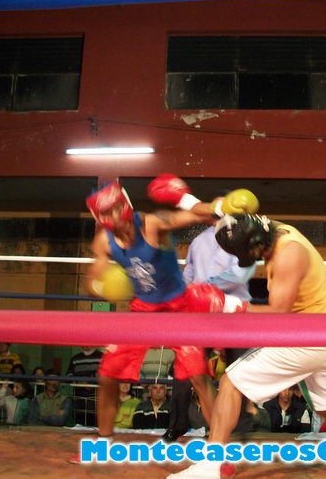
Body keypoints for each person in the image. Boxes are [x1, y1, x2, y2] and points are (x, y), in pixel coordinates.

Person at [168, 214, 326, 479]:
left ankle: (211, 466)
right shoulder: (276, 233)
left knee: (231, 383)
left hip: (305, 339)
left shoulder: (288, 253)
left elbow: (279, 313)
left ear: (256, 243)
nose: (254, 259)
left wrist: (227, 305)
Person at [81, 176, 258, 451]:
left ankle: (218, 448)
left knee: (198, 376)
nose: (114, 215)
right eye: (107, 212)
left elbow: (191, 215)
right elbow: (92, 280)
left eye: (116, 207)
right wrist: (102, 286)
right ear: (99, 217)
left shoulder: (151, 224)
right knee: (107, 373)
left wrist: (218, 207)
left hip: (181, 306)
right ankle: (103, 442)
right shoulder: (104, 241)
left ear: (125, 204)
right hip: (143, 310)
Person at [166, 223, 256, 442]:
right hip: (211, 311)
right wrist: (193, 296)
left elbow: (238, 275)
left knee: (237, 370)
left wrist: (204, 288)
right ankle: (180, 424)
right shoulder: (205, 241)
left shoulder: (210, 240)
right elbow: (189, 276)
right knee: (189, 367)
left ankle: (238, 427)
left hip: (227, 310)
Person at [66, 346, 103, 427]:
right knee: (79, 424)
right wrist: (80, 382)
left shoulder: (102, 357)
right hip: (79, 399)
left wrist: (90, 382)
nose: (86, 346)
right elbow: (68, 375)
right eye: (83, 345)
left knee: (96, 426)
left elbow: (106, 374)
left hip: (97, 399)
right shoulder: (75, 359)